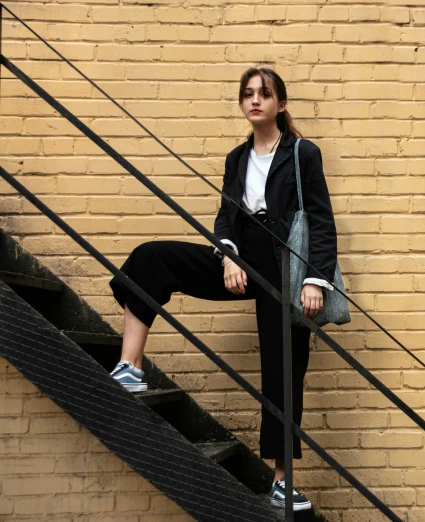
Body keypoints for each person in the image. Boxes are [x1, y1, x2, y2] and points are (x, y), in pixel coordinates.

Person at [107, 66, 338, 512]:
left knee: (284, 367)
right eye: (248, 94)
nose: (256, 101)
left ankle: (281, 482)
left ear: (279, 103)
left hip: (285, 265)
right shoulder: (237, 157)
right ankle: (129, 365)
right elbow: (226, 216)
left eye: (265, 94)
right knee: (152, 256)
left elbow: (321, 222)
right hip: (241, 255)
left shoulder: (302, 153)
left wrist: (314, 280)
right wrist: (228, 255)